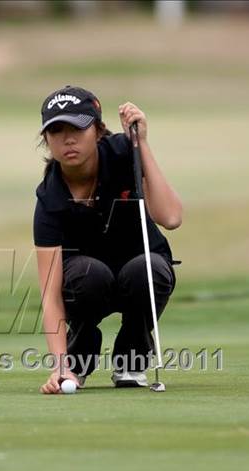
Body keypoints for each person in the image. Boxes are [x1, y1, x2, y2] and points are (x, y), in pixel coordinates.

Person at [33, 86, 182, 395]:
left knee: (149, 269)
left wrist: (140, 145)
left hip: (138, 272)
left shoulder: (124, 154)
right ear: (46, 139)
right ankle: (78, 357)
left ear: (98, 129)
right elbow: (50, 294)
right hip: (87, 285)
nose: (68, 139)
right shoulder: (50, 197)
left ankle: (133, 354)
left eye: (77, 127)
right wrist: (58, 364)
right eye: (56, 130)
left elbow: (170, 217)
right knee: (91, 274)